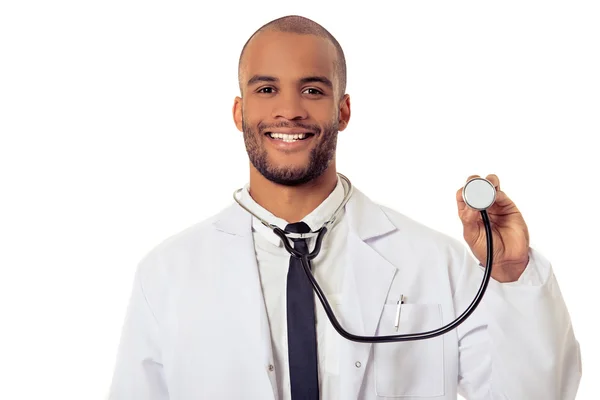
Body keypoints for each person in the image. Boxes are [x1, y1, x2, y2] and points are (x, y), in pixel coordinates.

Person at [108, 15, 582, 400]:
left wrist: (511, 274)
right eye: (266, 89)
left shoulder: (437, 263)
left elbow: (540, 394)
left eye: (312, 90)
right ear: (239, 112)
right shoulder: (167, 274)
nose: (289, 111)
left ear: (343, 110)